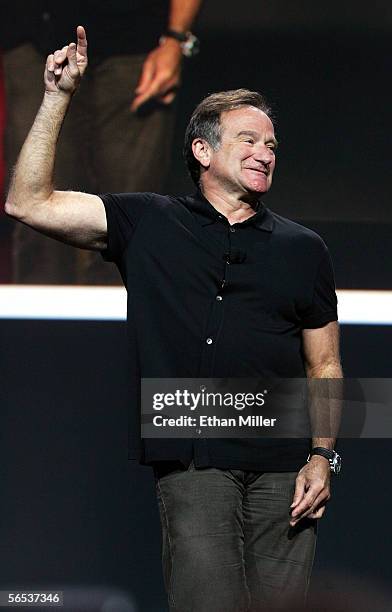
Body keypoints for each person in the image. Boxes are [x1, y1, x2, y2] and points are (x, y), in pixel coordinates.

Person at [5, 27, 343, 612]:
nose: (266, 151)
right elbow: (27, 202)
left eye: (272, 143)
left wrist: (324, 455)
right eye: (249, 139)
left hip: (286, 467)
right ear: (202, 151)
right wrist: (58, 99)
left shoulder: (303, 248)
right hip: (194, 458)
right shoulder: (149, 223)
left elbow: (326, 361)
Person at [1, 0, 202, 284]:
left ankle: (121, 326)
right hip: (32, 36)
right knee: (35, 216)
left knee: (130, 215)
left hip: (137, 44)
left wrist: (176, 38)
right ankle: (39, 327)